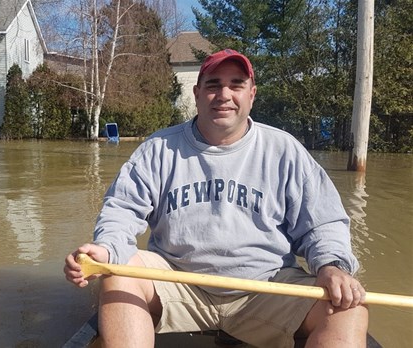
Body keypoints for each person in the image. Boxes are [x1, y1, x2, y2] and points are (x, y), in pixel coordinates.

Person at [64, 49, 368, 347]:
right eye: (213, 85)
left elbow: (322, 224)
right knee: (117, 274)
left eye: (236, 84)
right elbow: (122, 211)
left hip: (264, 289)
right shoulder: (158, 148)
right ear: (196, 94)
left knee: (348, 309)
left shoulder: (285, 151)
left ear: (252, 94)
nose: (224, 94)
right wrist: (106, 250)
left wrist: (331, 266)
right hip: (179, 284)